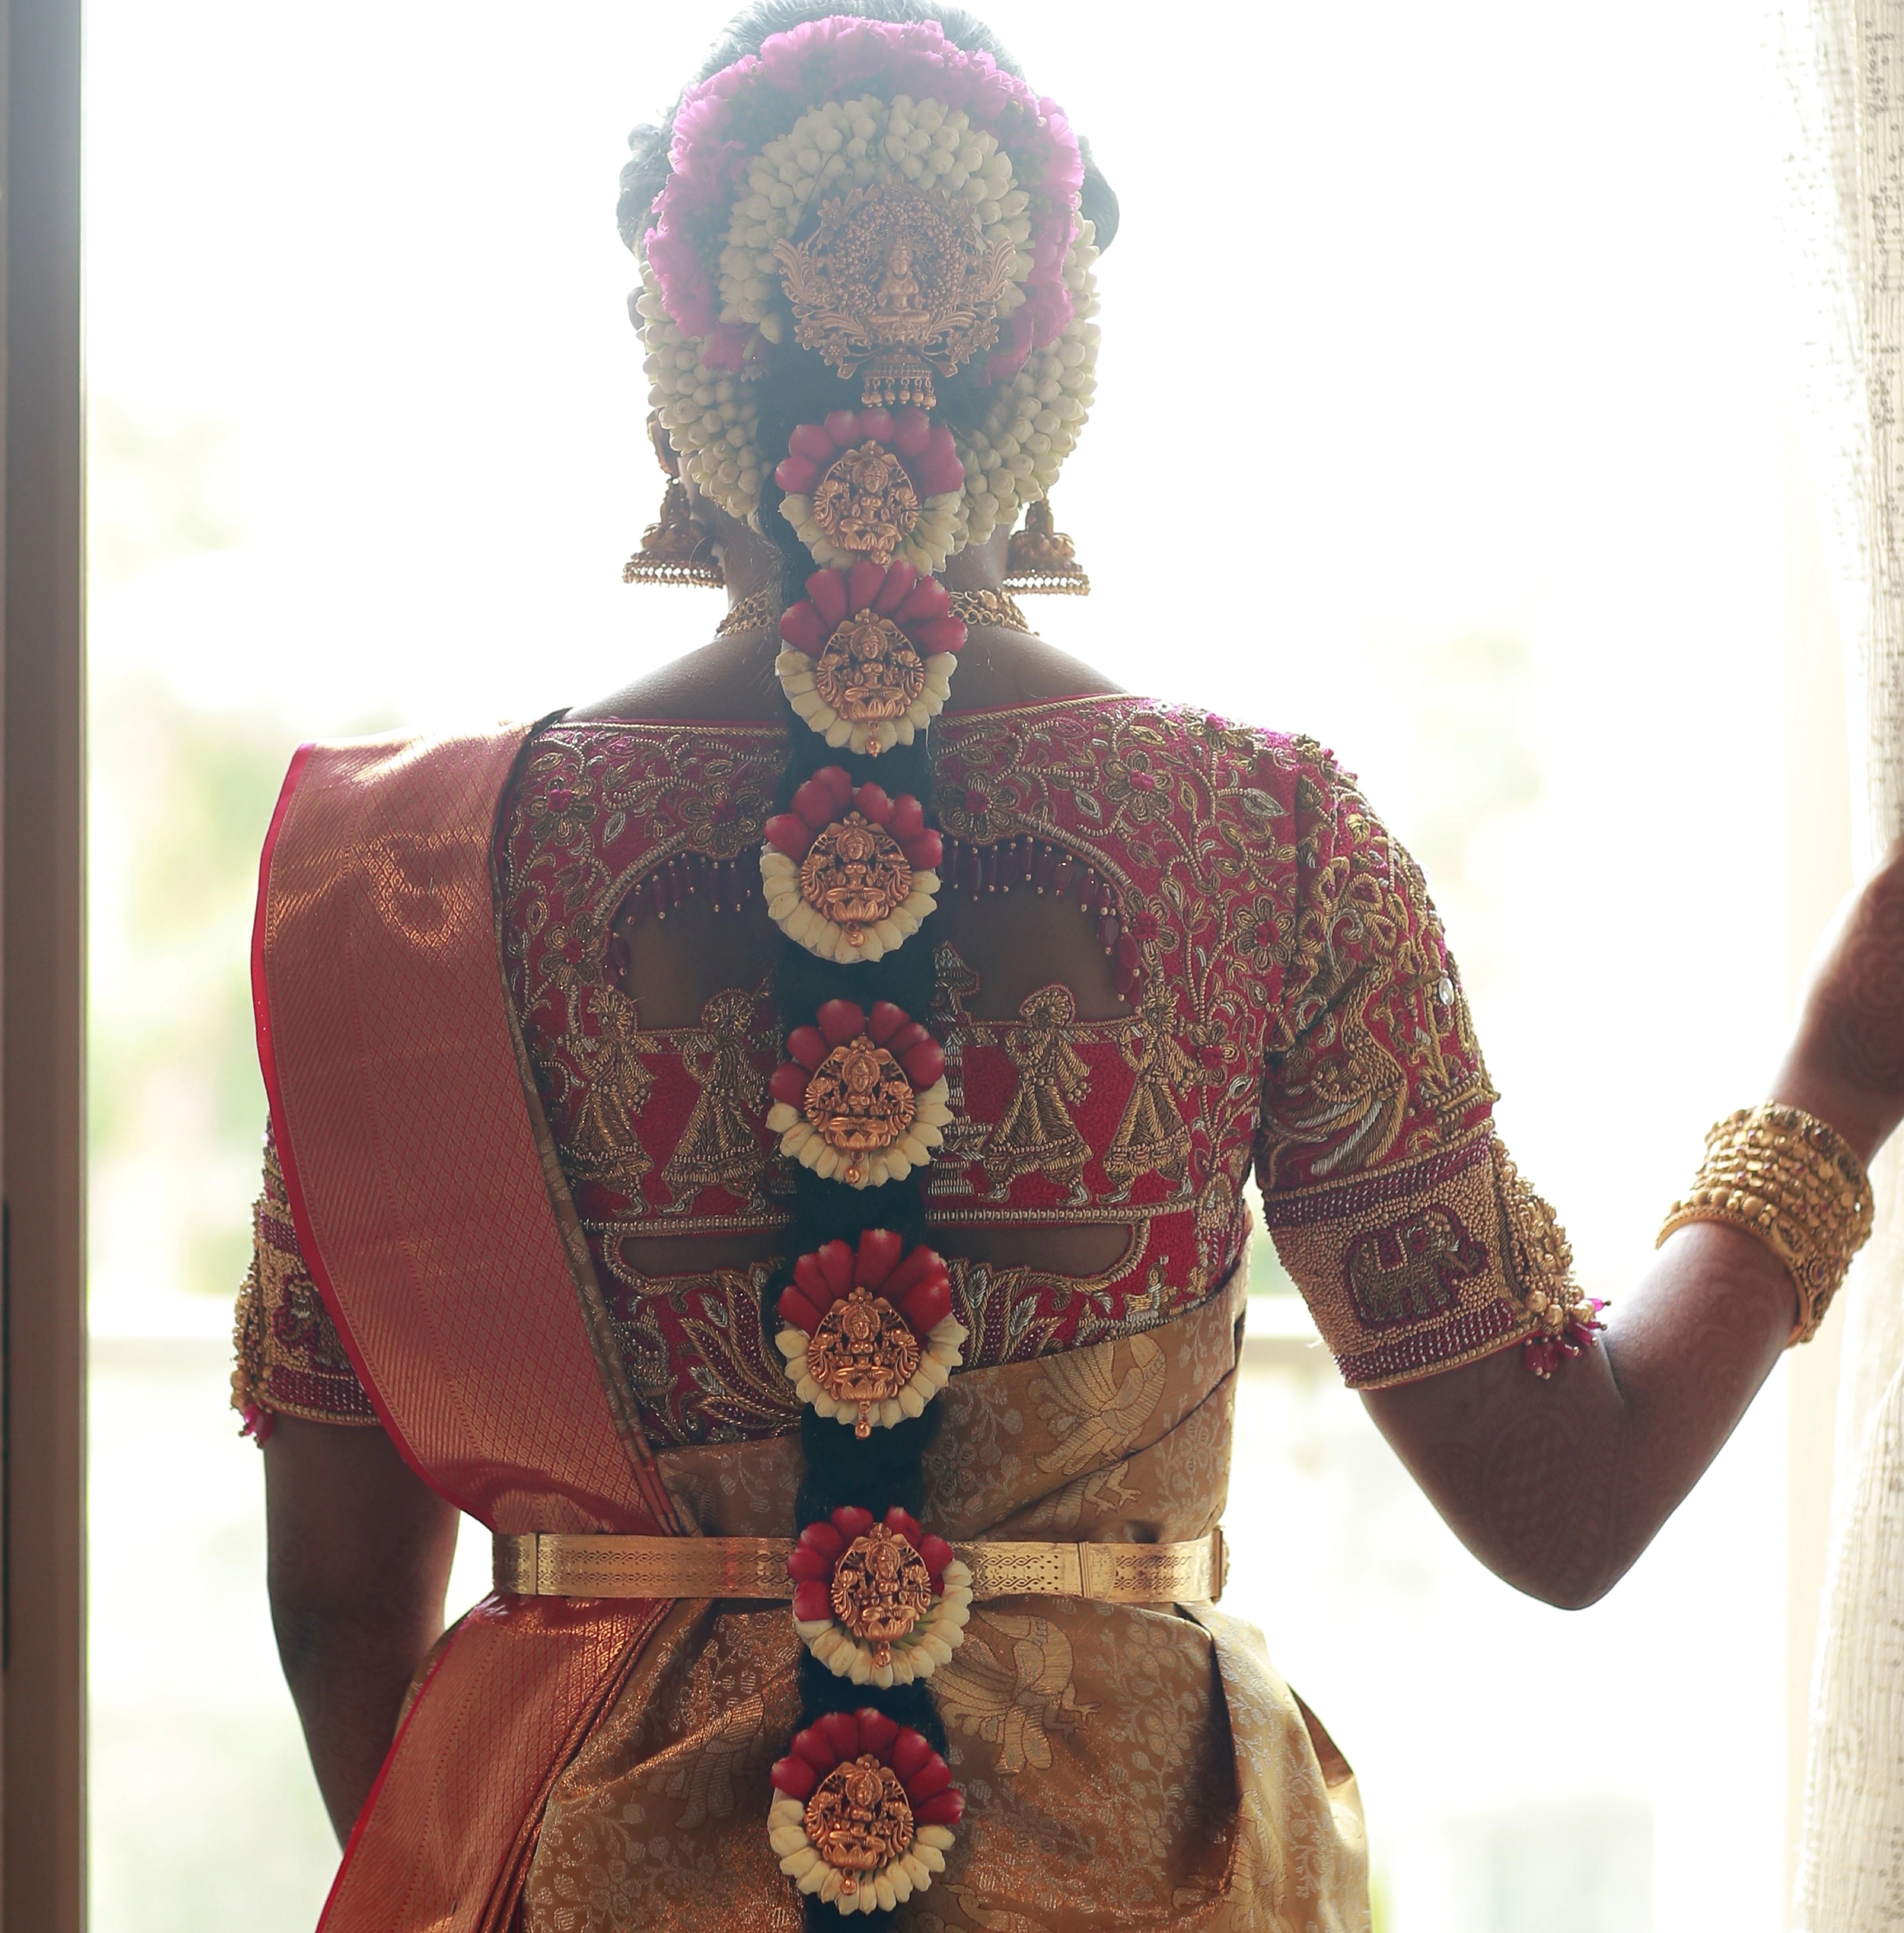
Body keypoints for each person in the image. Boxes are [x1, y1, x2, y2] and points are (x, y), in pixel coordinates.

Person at [229, 6, 1902, 1929]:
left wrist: (521, 1856)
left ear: (677, 369)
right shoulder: (1261, 841)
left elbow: (343, 1603)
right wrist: (1836, 1081)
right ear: (1052, 381)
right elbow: (1562, 1500)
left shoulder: (411, 893)